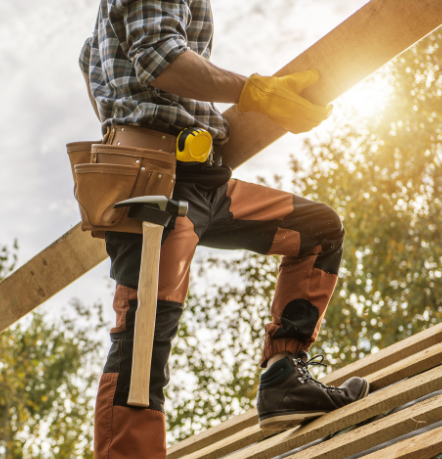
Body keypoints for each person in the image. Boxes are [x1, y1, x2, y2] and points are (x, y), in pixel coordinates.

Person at [78, 1, 369, 457]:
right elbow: (158, 56)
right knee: (143, 342)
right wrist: (255, 91)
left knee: (317, 231)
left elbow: (90, 61)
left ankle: (283, 379)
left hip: (205, 180)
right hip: (157, 188)